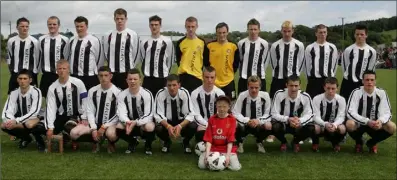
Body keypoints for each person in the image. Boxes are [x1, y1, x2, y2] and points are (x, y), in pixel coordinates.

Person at [68, 66, 121, 153]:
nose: (103, 78)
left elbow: (118, 114)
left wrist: (104, 126)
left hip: (110, 124)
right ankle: (96, 141)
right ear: (98, 76)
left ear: (110, 76)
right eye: (101, 75)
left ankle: (111, 143)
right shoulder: (92, 91)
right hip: (96, 122)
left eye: (106, 75)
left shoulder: (118, 92)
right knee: (73, 133)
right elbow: (90, 110)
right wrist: (93, 128)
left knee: (111, 135)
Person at [346, 70, 396, 154]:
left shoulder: (381, 92)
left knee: (392, 127)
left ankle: (372, 143)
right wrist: (367, 121)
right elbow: (350, 111)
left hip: (375, 124)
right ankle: (359, 142)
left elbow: (387, 112)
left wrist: (380, 121)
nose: (369, 82)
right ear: (362, 81)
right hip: (360, 123)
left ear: (375, 81)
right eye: (367, 80)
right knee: (349, 124)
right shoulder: (356, 92)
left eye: (372, 80)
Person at [45, 59, 88, 150]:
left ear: (69, 70)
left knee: (70, 127)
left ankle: (71, 139)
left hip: (76, 115)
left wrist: (84, 116)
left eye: (64, 68)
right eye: (59, 68)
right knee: (43, 128)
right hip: (61, 116)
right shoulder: (52, 87)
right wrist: (50, 127)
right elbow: (50, 108)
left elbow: (85, 100)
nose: (62, 71)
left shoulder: (78, 83)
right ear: (56, 70)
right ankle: (65, 138)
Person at [1, 70, 44, 151]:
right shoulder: (14, 93)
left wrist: (16, 121)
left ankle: (39, 140)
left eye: (25, 79)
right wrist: (10, 121)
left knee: (29, 124)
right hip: (21, 119)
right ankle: (26, 138)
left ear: (30, 80)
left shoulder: (36, 91)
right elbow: (7, 111)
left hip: (37, 117)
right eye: (20, 79)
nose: (22, 81)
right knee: (4, 125)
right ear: (17, 80)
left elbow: (34, 112)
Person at [116, 68, 156, 155]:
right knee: (118, 126)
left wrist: (136, 122)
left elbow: (149, 114)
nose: (132, 81)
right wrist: (127, 122)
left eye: (135, 79)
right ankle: (133, 142)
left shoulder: (147, 94)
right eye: (130, 79)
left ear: (140, 80)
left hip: (143, 123)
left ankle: (148, 145)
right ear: (126, 80)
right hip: (129, 123)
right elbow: (121, 113)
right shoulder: (122, 94)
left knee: (150, 127)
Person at [271, 75, 315, 152]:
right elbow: (274, 113)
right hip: (283, 123)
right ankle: (283, 142)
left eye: (296, 86)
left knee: (311, 128)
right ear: (286, 85)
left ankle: (295, 142)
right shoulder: (279, 94)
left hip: (298, 124)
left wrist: (299, 121)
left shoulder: (305, 96)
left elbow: (310, 114)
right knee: (275, 126)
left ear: (299, 86)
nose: (293, 88)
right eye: (291, 85)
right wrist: (288, 119)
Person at [154, 74, 197, 153]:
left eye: (174, 85)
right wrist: (168, 126)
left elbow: (190, 114)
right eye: (169, 85)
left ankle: (185, 141)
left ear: (179, 85)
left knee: (193, 125)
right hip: (167, 121)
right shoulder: (160, 93)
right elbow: (157, 115)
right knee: (157, 128)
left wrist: (180, 126)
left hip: (180, 121)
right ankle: (167, 141)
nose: (171, 88)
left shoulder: (184, 93)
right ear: (166, 85)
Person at [198, 96, 241, 171]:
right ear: (216, 107)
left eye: (224, 106)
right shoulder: (212, 119)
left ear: (228, 107)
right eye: (219, 106)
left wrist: (227, 157)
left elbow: (230, 140)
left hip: (226, 149)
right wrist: (207, 154)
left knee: (235, 168)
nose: (221, 109)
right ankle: (216, 161)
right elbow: (208, 140)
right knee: (202, 165)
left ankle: (221, 162)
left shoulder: (232, 120)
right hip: (213, 148)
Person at [233, 75, 271, 153]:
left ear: (260, 87)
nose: (254, 90)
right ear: (248, 86)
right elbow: (235, 113)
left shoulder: (265, 96)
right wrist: (247, 120)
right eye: (251, 87)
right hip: (245, 124)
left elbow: (268, 114)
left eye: (256, 88)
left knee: (268, 125)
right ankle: (240, 142)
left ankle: (259, 141)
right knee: (234, 123)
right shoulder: (242, 95)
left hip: (258, 124)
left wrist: (258, 121)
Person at [138, 15, 175, 96]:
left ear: (160, 25)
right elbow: (142, 58)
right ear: (149, 26)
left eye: (156, 25)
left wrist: (165, 72)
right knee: (147, 102)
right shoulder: (144, 42)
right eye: (152, 25)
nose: (154, 27)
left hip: (162, 78)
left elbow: (170, 60)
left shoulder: (167, 41)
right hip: (148, 78)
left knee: (162, 103)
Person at [104, 8, 140, 90]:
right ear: (114, 19)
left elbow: (136, 54)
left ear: (126, 19)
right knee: (112, 96)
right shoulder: (108, 34)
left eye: (122, 19)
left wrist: (130, 66)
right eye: (117, 18)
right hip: (112, 71)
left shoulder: (133, 34)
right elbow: (106, 52)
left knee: (127, 95)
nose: (119, 21)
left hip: (127, 72)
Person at [340, 24, 377, 101]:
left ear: (366, 35)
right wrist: (349, 77)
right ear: (354, 35)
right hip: (348, 83)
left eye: (362, 34)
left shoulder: (372, 51)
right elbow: (345, 66)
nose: (359, 36)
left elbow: (371, 69)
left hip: (363, 83)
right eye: (357, 34)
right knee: (345, 104)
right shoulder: (348, 50)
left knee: (361, 105)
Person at [269, 20, 305, 98]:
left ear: (293, 31)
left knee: (293, 101)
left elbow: (301, 62)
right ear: (281, 31)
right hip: (278, 78)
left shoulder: (299, 45)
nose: (287, 34)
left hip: (293, 79)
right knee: (275, 100)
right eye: (284, 31)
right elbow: (273, 62)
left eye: (289, 31)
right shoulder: (275, 45)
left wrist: (295, 74)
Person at [68, 16, 104, 90]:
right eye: (77, 26)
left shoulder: (95, 40)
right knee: (75, 99)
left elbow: (99, 59)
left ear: (86, 26)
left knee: (90, 100)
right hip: (74, 76)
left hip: (90, 77)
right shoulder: (71, 40)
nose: (79, 28)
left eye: (81, 26)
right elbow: (67, 56)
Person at [175, 16, 210, 94]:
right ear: (185, 27)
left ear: (197, 27)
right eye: (188, 26)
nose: (190, 29)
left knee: (196, 103)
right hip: (183, 77)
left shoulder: (202, 42)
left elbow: (206, 61)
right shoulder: (180, 42)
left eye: (193, 26)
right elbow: (178, 60)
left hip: (197, 77)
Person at [191, 66, 225, 142]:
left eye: (212, 77)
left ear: (215, 77)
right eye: (207, 77)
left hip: (217, 124)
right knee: (195, 128)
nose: (209, 80)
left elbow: (221, 113)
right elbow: (195, 114)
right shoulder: (195, 93)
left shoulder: (220, 93)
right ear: (202, 77)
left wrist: (214, 125)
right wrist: (207, 125)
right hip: (202, 124)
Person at [312, 77, 346, 152]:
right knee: (315, 128)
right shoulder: (317, 99)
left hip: (333, 125)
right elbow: (315, 116)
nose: (330, 91)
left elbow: (341, 117)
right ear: (324, 87)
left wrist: (335, 125)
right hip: (321, 124)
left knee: (342, 128)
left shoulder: (341, 100)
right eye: (328, 88)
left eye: (333, 88)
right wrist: (324, 124)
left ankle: (336, 143)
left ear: (337, 88)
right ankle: (315, 143)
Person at [38, 16, 70, 98]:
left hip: (60, 74)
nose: (52, 26)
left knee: (61, 96)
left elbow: (66, 57)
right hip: (46, 74)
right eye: (50, 24)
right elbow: (39, 55)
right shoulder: (41, 39)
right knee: (46, 97)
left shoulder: (65, 40)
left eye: (54, 24)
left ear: (58, 25)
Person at [305, 24, 338, 98]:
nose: (322, 34)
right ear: (316, 33)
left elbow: (334, 65)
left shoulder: (332, 47)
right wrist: (310, 79)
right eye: (320, 32)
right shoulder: (310, 48)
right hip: (314, 81)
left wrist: (331, 77)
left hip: (328, 80)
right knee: (312, 104)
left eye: (324, 32)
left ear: (327, 33)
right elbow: (307, 66)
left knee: (327, 103)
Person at [7, 17, 39, 94]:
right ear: (17, 27)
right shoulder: (11, 41)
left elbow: (37, 58)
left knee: (32, 96)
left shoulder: (34, 41)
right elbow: (9, 57)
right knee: (13, 96)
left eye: (26, 26)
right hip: (16, 73)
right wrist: (12, 70)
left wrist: (34, 72)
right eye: (22, 26)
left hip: (30, 74)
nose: (25, 28)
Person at [207, 22, 239, 100]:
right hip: (213, 82)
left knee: (230, 105)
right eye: (219, 33)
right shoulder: (209, 46)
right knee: (214, 105)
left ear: (227, 32)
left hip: (229, 81)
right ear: (216, 33)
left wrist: (228, 73)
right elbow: (205, 63)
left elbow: (236, 64)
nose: (221, 35)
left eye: (224, 32)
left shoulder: (233, 46)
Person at [237, 18, 269, 94]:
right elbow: (241, 59)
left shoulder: (264, 43)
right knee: (243, 102)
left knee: (260, 102)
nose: (253, 31)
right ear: (247, 30)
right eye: (251, 29)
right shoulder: (241, 43)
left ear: (259, 30)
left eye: (255, 29)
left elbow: (265, 61)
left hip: (259, 77)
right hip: (244, 78)